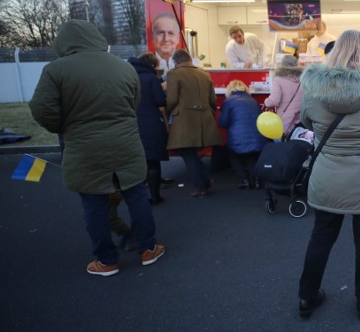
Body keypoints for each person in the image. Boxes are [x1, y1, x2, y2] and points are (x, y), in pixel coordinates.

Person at [29, 19, 165, 276]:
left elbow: (41, 109)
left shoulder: (56, 70)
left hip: (84, 146)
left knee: (94, 203)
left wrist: (64, 126)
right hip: (126, 142)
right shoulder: (123, 67)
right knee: (136, 196)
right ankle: (148, 248)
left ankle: (106, 260)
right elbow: (133, 102)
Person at [297, 29, 360, 320]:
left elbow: (306, 119)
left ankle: (307, 296)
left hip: (328, 176)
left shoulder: (315, 88)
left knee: (321, 237)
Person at [165, 49, 221, 197]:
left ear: (175, 62)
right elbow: (212, 100)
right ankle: (205, 180)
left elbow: (171, 99)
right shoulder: (205, 74)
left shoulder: (174, 74)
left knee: (187, 153)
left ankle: (202, 185)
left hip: (184, 119)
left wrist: (166, 112)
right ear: (190, 60)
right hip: (204, 119)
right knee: (192, 153)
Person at [127, 52, 169, 204]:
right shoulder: (151, 78)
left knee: (140, 160)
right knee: (153, 162)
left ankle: (140, 194)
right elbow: (159, 101)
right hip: (151, 122)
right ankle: (155, 195)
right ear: (152, 65)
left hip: (132, 122)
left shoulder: (129, 76)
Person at [218, 80, 268, 190]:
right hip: (258, 137)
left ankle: (244, 180)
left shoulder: (228, 102)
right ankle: (257, 180)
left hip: (238, 138)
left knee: (233, 155)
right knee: (250, 156)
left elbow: (223, 123)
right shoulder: (253, 101)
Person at [264, 54, 304, 137]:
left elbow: (274, 101)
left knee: (281, 144)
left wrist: (266, 102)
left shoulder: (278, 79)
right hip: (301, 120)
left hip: (285, 122)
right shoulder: (303, 79)